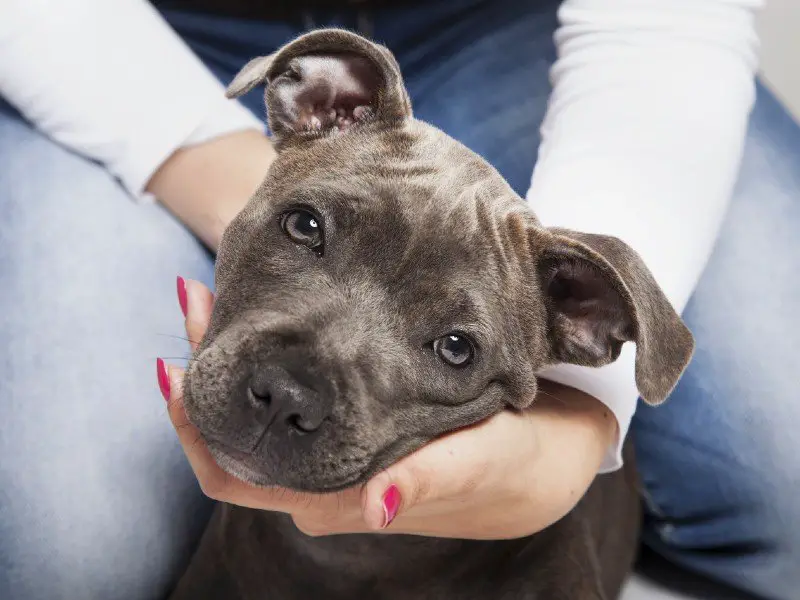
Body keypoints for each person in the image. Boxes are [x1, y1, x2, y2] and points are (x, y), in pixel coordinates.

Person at [1, 0, 797, 598]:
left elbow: (662, 33)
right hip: (129, 27)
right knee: (59, 555)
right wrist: (213, 159)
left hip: (531, 28)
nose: (289, 397)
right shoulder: (325, 114)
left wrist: (584, 424)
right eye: (306, 227)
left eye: (454, 345)